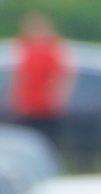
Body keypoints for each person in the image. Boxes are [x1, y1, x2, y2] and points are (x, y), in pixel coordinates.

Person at [10, 12, 73, 150]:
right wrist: (16, 98)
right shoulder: (25, 46)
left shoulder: (55, 47)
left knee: (48, 141)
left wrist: (59, 98)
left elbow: (64, 75)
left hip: (48, 107)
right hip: (29, 105)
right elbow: (19, 75)